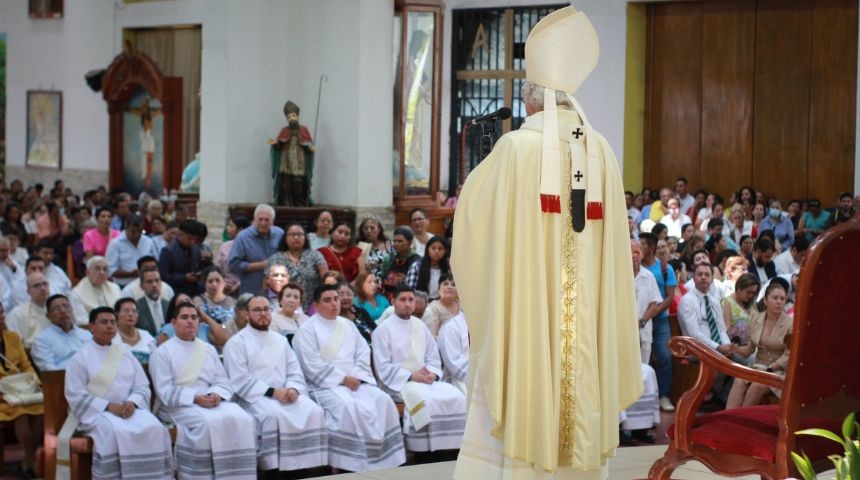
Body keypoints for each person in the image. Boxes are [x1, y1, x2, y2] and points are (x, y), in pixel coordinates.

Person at [451, 7, 641, 478]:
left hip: (528, 317)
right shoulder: (601, 152)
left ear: (533, 98)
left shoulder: (515, 149)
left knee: (522, 374)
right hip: (585, 323)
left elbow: (472, 229)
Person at [293, 285, 406, 472]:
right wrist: (343, 379)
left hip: (355, 380)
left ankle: (387, 462)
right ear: (316, 304)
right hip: (325, 386)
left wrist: (356, 376)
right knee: (346, 407)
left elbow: (363, 352)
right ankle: (348, 466)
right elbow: (311, 363)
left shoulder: (348, 325)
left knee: (383, 400)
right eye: (327, 300)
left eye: (335, 299)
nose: (333, 304)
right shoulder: (307, 330)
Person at [149, 301, 258, 479]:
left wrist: (216, 394)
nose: (190, 321)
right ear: (173, 323)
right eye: (184, 317)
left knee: (242, 418)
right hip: (178, 405)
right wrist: (195, 397)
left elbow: (222, 379)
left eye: (194, 317)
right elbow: (164, 390)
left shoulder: (208, 349)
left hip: (210, 400)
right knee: (206, 424)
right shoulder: (161, 353)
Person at [62, 306, 173, 479]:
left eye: (113, 322)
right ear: (91, 326)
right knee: (114, 433)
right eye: (104, 322)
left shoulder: (125, 354)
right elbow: (75, 394)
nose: (109, 326)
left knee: (155, 427)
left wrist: (132, 402)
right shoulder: (80, 358)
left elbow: (142, 385)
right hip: (98, 414)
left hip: (129, 410)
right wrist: (108, 406)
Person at [222, 295, 328, 475]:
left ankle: (311, 470)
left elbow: (294, 371)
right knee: (271, 416)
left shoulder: (280, 340)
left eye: (266, 309)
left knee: (314, 411)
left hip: (286, 393)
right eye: (257, 310)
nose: (263, 314)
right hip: (255, 398)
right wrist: (273, 392)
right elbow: (239, 379)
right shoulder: (236, 342)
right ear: (247, 314)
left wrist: (294, 389)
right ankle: (276, 471)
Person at [371, 285, 467, 454]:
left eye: (411, 300)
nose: (408, 304)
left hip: (424, 379)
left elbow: (433, 357)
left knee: (457, 396)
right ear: (393, 302)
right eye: (403, 300)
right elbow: (383, 367)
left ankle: (450, 449)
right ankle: (424, 452)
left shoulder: (419, 325)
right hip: (399, 382)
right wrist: (410, 375)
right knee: (426, 401)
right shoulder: (382, 330)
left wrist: (432, 374)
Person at [726, 281, 792, 409]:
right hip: (758, 366)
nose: (779, 301)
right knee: (739, 380)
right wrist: (737, 349)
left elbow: (789, 354)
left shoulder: (790, 323)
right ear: (766, 301)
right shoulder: (756, 319)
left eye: (782, 299)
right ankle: (727, 419)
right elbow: (750, 349)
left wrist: (770, 369)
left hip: (779, 370)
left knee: (757, 385)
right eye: (775, 298)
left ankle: (740, 421)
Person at [0, 303, 44, 479]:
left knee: (42, 409)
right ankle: (31, 459)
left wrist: (36, 382)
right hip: (2, 396)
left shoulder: (13, 337)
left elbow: (26, 365)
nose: (1, 316)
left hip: (19, 389)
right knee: (20, 413)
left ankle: (27, 458)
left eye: (2, 312)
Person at [638, 232, 677, 412]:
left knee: (663, 357)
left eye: (643, 244)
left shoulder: (664, 268)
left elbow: (669, 297)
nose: (639, 247)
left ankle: (663, 395)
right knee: (640, 358)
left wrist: (654, 312)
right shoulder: (635, 266)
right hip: (640, 320)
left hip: (659, 320)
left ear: (652, 247)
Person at [269, 223, 327, 310]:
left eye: (299, 234)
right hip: (283, 307)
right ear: (285, 238)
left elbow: (326, 279)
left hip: (313, 307)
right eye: (292, 235)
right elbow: (268, 284)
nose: (296, 237)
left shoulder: (315, 255)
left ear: (305, 237)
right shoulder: (276, 258)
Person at [230, 204, 285, 295]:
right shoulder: (243, 237)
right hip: (252, 290)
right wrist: (260, 265)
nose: (263, 223)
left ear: (273, 221)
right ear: (254, 220)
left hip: (277, 291)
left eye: (267, 220)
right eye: (260, 219)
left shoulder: (280, 234)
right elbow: (233, 265)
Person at [270, 100, 316, 207]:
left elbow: (307, 144)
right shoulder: (284, 130)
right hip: (286, 163)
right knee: (285, 186)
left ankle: (300, 205)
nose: (292, 118)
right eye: (289, 117)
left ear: (298, 116)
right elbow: (279, 145)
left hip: (299, 162)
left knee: (298, 185)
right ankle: (287, 205)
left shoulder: (304, 130)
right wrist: (275, 144)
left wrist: (310, 148)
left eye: (293, 116)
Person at [30, 294, 92, 371]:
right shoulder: (41, 340)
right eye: (56, 308)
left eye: (66, 306)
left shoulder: (86, 334)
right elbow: (49, 371)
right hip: (64, 379)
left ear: (72, 310)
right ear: (48, 316)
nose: (63, 311)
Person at [105, 214, 157, 287]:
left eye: (139, 231)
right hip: (123, 285)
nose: (136, 235)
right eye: (133, 231)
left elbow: (156, 262)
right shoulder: (115, 244)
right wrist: (132, 274)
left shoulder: (148, 241)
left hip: (147, 285)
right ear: (126, 228)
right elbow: (110, 270)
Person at [720, 273, 760, 365]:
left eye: (753, 293)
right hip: (737, 346)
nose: (751, 295)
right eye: (748, 292)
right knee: (756, 362)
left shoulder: (751, 303)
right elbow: (726, 330)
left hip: (753, 345)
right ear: (739, 288)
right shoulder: (727, 302)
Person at [69, 256, 122, 325]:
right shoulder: (76, 293)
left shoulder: (115, 288)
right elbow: (81, 320)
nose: (102, 272)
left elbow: (121, 312)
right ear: (87, 272)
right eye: (97, 269)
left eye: (105, 269)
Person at [159, 220, 204, 298]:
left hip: (194, 293)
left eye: (195, 239)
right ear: (180, 234)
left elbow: (199, 267)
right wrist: (184, 278)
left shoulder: (196, 249)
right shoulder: (168, 251)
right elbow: (163, 276)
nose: (192, 242)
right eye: (189, 238)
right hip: (175, 293)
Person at [6, 272, 52, 347]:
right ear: (28, 291)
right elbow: (15, 347)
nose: (43, 288)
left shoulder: (58, 311)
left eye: (45, 284)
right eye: (37, 286)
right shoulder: (16, 314)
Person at [113, 297, 157, 364]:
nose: (131, 314)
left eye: (134, 311)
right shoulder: (111, 337)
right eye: (126, 311)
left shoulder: (146, 335)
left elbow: (156, 359)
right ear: (116, 314)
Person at [380, 227, 420, 299]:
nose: (396, 244)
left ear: (409, 243)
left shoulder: (416, 261)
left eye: (400, 241)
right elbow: (382, 279)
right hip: (386, 299)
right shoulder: (388, 259)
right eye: (394, 241)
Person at [216, 215, 250, 296]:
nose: (227, 228)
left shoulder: (250, 247)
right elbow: (217, 268)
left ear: (241, 229)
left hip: (245, 288)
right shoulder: (225, 246)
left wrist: (238, 285)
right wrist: (222, 282)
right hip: (225, 288)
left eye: (231, 226)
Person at [422, 274, 461, 338]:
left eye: (453, 285)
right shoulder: (433, 308)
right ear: (438, 289)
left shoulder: (462, 305)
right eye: (445, 284)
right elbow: (432, 336)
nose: (450, 287)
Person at [134, 267, 170, 337]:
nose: (154, 285)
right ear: (141, 286)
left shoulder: (168, 305)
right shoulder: (136, 307)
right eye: (149, 282)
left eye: (157, 280)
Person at [356, 216, 393, 281]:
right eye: (366, 228)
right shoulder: (359, 247)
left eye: (372, 228)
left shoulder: (388, 245)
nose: (369, 231)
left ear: (379, 229)